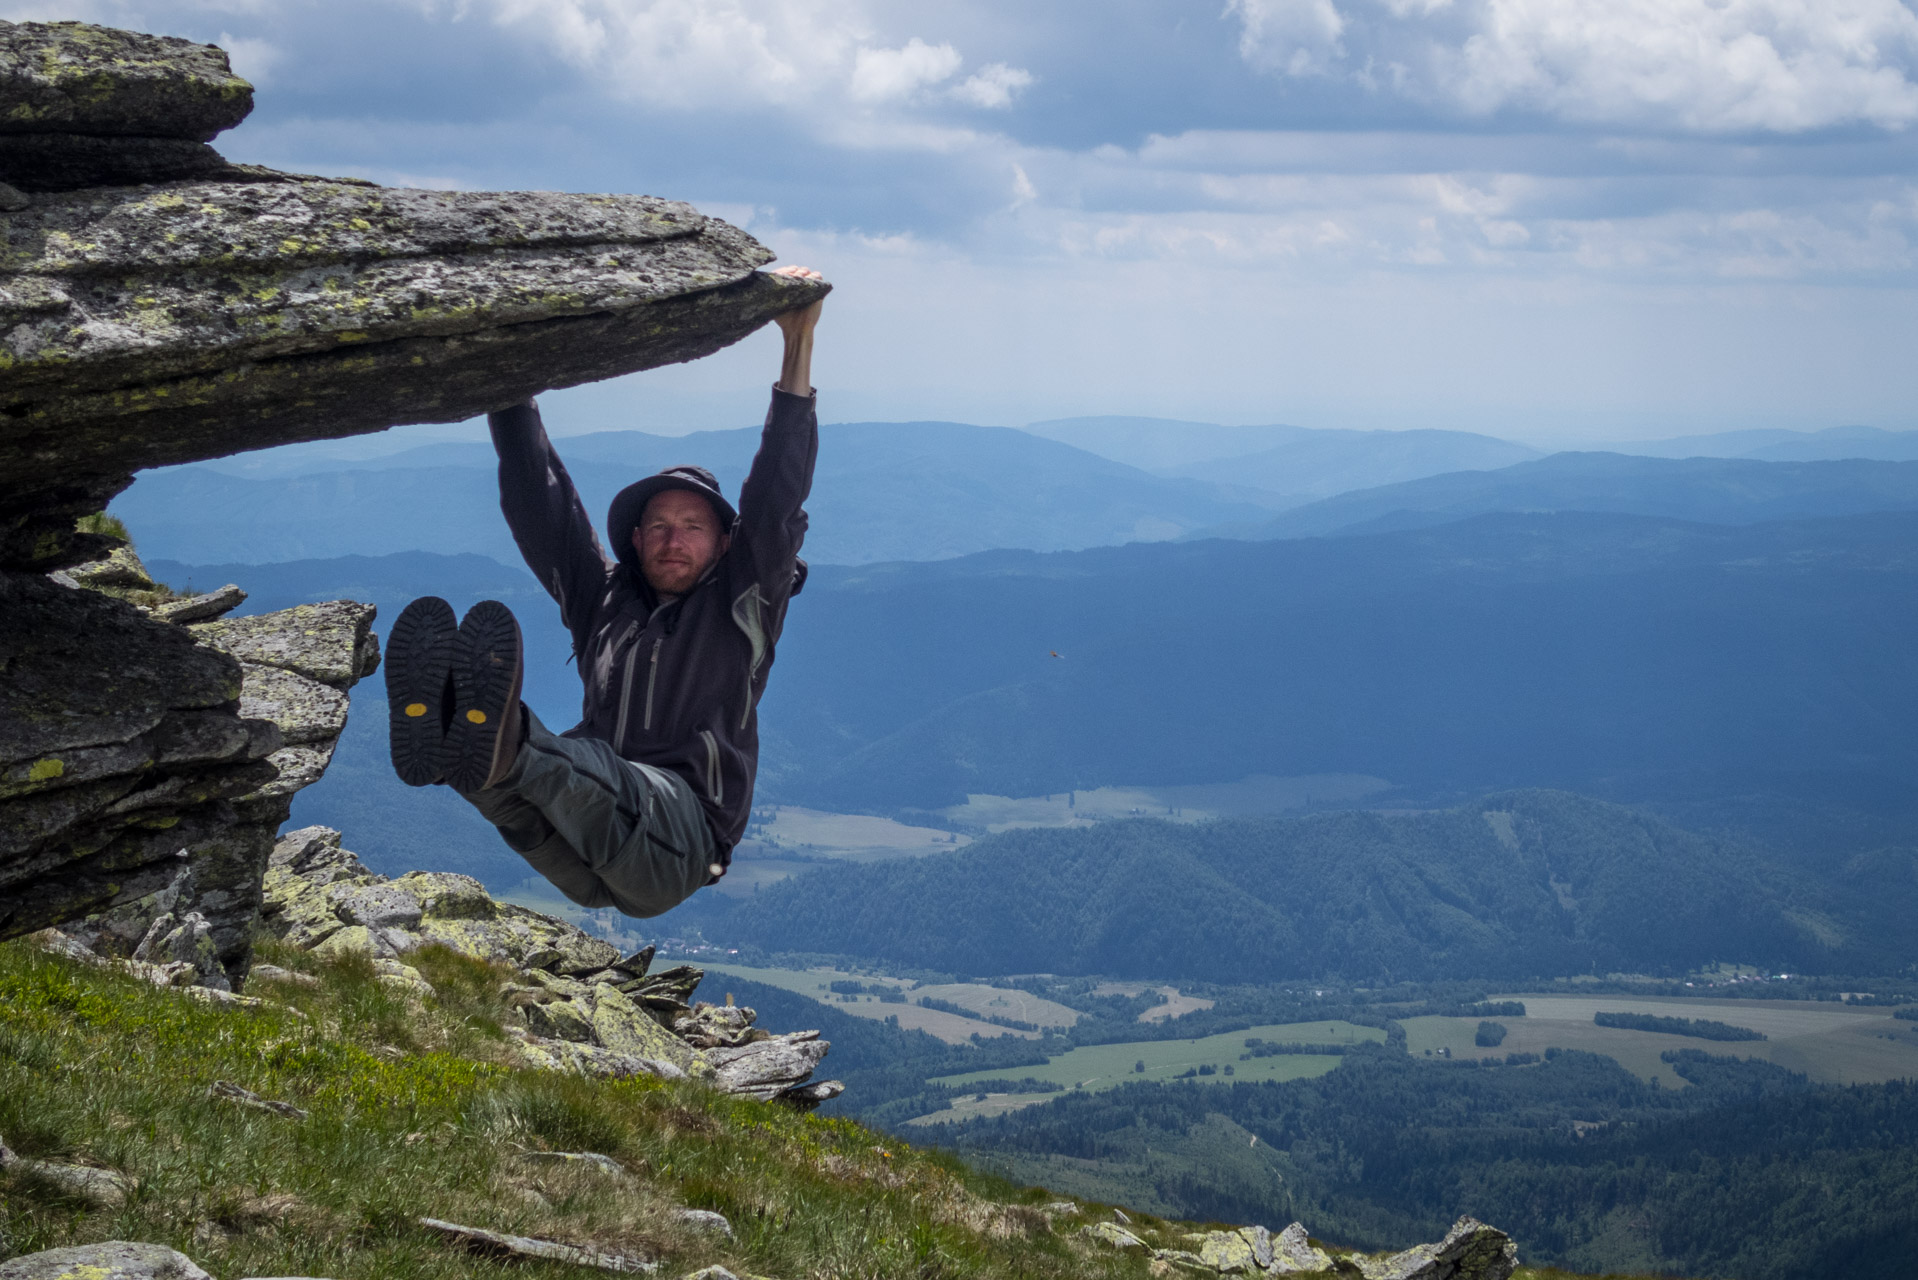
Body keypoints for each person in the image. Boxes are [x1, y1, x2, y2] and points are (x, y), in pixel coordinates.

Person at [381, 265, 825, 918]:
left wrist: (798, 340)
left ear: (726, 543)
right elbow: (543, 507)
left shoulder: (742, 607)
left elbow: (777, 492)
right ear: (636, 540)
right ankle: (455, 731)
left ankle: (502, 732)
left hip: (676, 842)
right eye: (659, 527)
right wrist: (508, 381)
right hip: (583, 849)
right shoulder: (606, 604)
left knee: (540, 757)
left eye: (693, 527)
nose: (673, 540)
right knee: (491, 777)